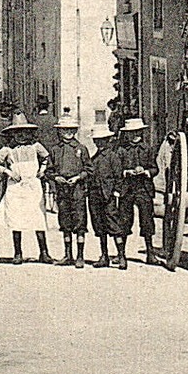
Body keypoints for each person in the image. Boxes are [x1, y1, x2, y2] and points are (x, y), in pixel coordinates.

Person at [0, 114, 53, 264]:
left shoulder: (36, 147)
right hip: (16, 188)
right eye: (18, 133)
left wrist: (42, 170)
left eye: (25, 132)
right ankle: (18, 252)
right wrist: (8, 172)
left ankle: (44, 252)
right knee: (16, 218)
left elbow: (47, 158)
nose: (22, 136)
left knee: (38, 217)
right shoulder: (7, 150)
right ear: (12, 134)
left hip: (33, 186)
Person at [46, 114, 93, 266]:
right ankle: (68, 255)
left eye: (71, 129)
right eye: (65, 129)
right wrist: (56, 178)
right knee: (65, 221)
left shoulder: (81, 148)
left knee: (80, 221)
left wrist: (79, 177)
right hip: (62, 190)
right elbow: (49, 170)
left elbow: (89, 169)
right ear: (59, 131)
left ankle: (80, 256)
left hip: (78, 189)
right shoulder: (54, 150)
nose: (68, 132)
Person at [113, 118, 158, 267]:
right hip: (127, 188)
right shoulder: (121, 150)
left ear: (142, 132)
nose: (134, 136)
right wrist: (126, 172)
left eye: (137, 132)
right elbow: (117, 170)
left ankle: (150, 253)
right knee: (124, 220)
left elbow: (154, 168)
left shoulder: (148, 149)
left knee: (147, 220)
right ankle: (121, 255)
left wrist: (145, 171)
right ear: (126, 135)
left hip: (143, 188)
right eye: (131, 133)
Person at [85, 124, 119, 267]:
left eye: (103, 140)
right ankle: (104, 255)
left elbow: (118, 176)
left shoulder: (113, 157)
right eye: (97, 140)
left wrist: (116, 191)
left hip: (108, 195)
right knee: (99, 226)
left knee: (113, 224)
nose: (100, 143)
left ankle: (121, 255)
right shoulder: (94, 158)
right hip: (95, 196)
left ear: (108, 140)